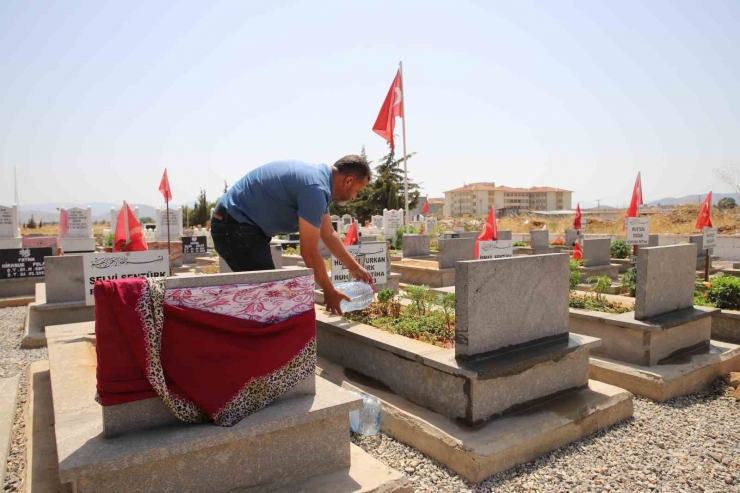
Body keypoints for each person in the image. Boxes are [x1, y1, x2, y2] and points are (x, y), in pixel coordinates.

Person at [211, 156, 373, 315]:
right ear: (348, 181)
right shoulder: (315, 188)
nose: (354, 197)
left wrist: (355, 267)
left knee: (265, 299)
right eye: (357, 191)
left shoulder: (319, 181)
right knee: (268, 303)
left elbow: (328, 233)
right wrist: (329, 291)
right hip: (234, 227)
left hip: (242, 227)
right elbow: (309, 252)